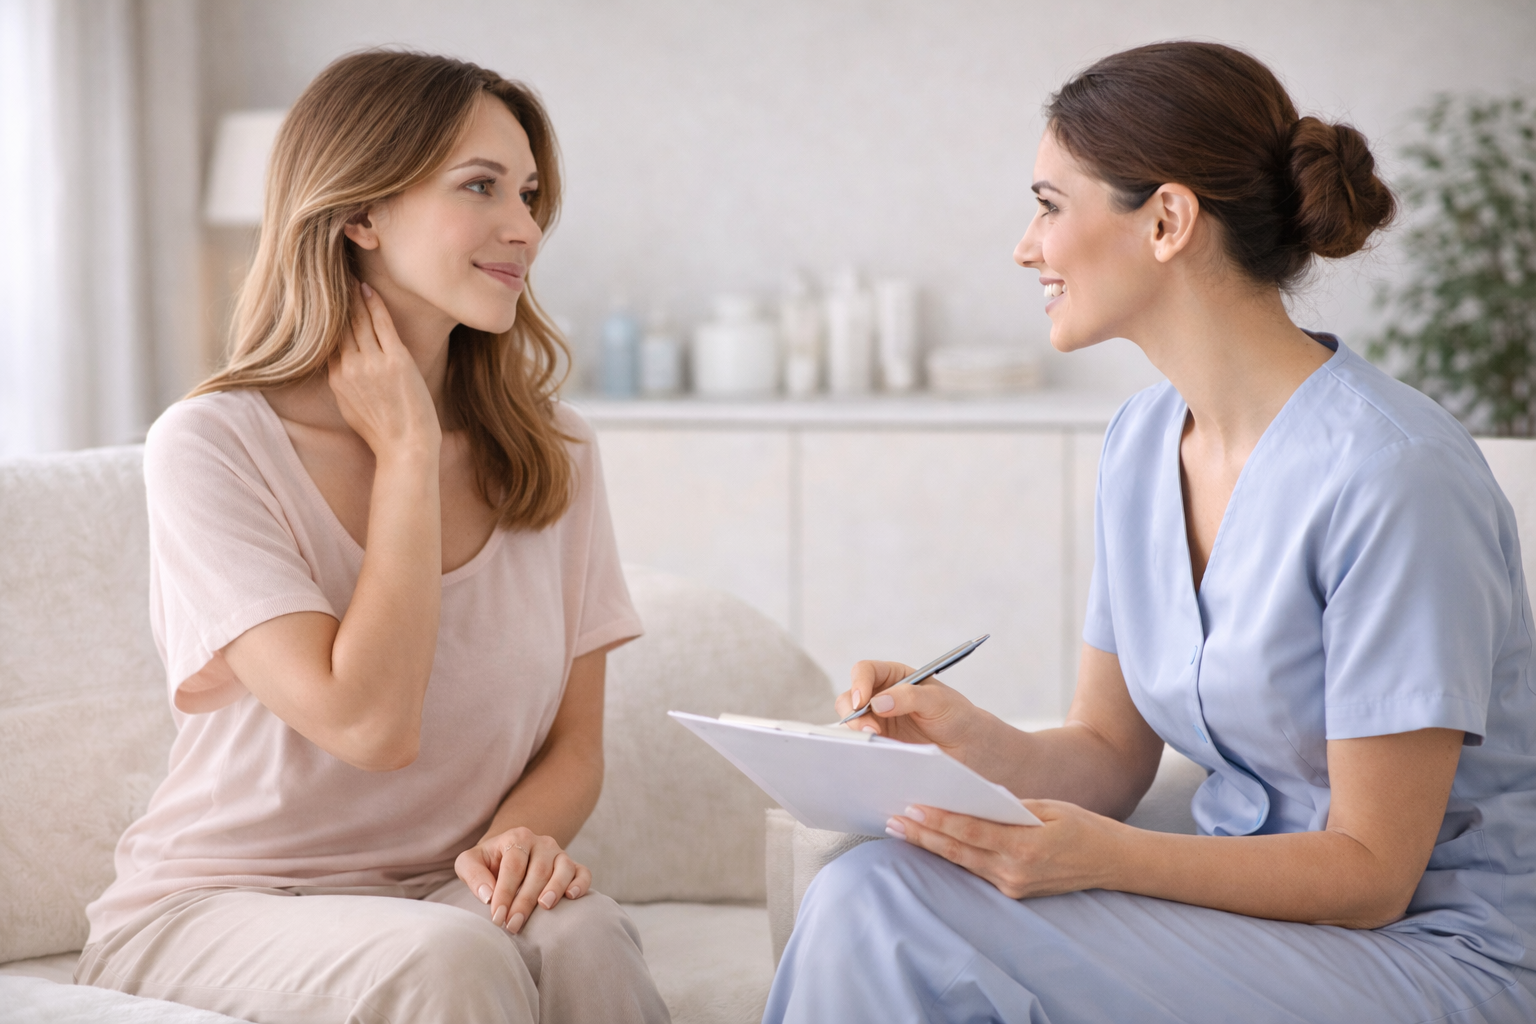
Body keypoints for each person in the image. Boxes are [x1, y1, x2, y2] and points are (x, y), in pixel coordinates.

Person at [765, 41, 1536, 1023]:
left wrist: (1099, 858)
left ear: (1167, 220)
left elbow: (1374, 871)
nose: (1025, 245)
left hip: (1424, 954)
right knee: (872, 880)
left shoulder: (1395, 476)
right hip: (1255, 927)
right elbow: (1109, 756)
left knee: (887, 906)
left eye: (1049, 204)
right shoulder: (1140, 446)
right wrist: (965, 736)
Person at [75, 50, 669, 1024]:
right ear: (359, 213)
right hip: (222, 902)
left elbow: (575, 743)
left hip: (440, 889)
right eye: (479, 187)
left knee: (587, 934)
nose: (523, 226)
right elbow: (368, 724)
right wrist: (405, 451)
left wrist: (518, 840)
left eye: (527, 192)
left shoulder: (554, 449)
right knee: (447, 960)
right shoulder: (214, 445)